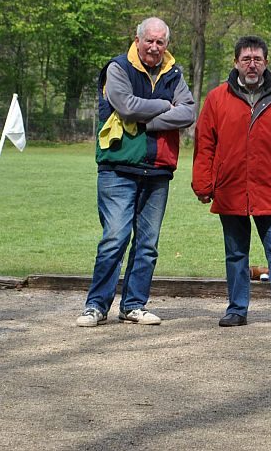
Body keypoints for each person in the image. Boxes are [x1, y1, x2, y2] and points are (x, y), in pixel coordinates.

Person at [76, 17, 197, 327]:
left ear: (166, 45)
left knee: (148, 243)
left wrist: (150, 119)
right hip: (118, 166)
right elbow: (126, 107)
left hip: (158, 170)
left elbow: (188, 112)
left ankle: (134, 305)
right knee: (115, 238)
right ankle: (96, 306)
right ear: (138, 39)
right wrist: (164, 106)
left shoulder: (175, 73)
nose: (154, 47)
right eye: (149, 41)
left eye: (160, 42)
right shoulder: (117, 68)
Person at [191, 35, 271, 330]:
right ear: (236, 63)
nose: (252, 64)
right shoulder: (217, 98)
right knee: (236, 252)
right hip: (230, 188)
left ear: (266, 63)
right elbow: (205, 142)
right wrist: (203, 183)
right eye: (246, 59)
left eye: (257, 59)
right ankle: (236, 309)